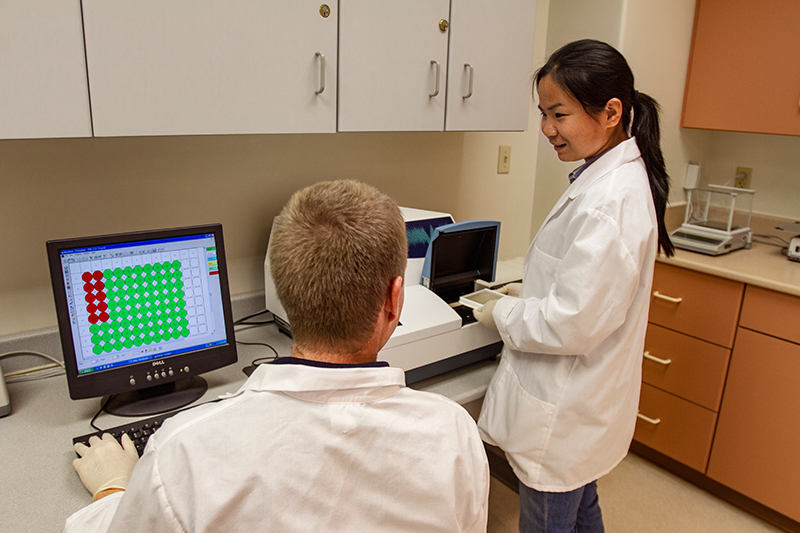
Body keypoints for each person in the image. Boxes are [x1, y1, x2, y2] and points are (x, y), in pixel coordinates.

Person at [65, 180, 490, 533]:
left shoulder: (185, 453)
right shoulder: (454, 434)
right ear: (395, 301)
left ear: (285, 296)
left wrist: (113, 490)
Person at [473, 39, 674, 533]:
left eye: (558, 114)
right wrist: (530, 295)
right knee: (583, 509)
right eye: (543, 113)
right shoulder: (607, 180)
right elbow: (585, 290)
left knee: (550, 519)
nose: (546, 129)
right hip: (583, 405)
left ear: (610, 112)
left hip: (566, 411)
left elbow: (570, 324)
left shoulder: (609, 201)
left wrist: (498, 313)